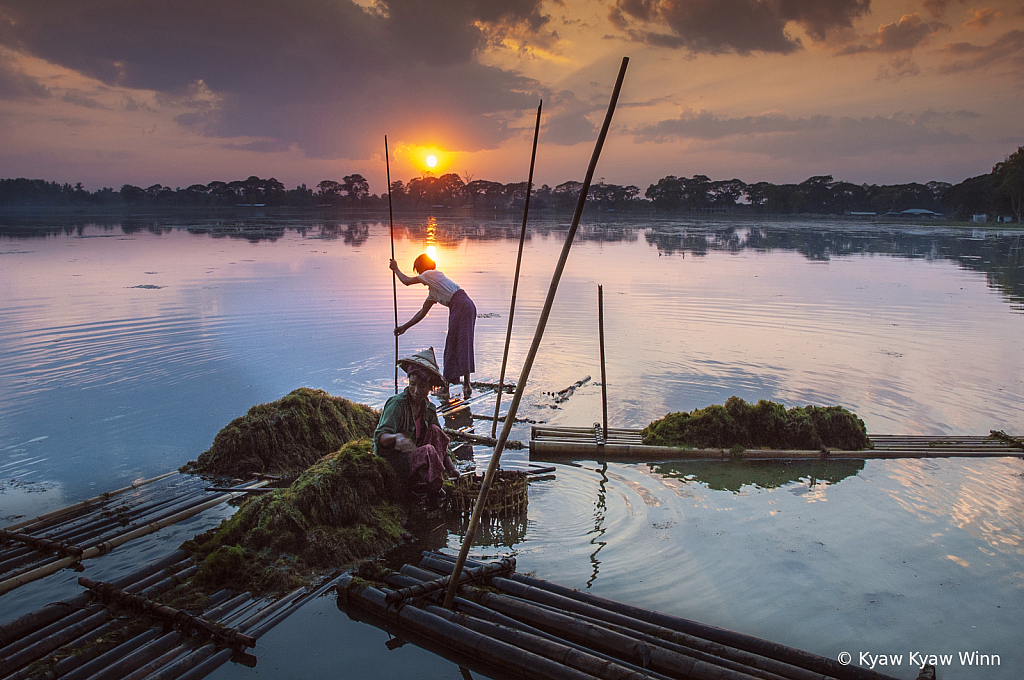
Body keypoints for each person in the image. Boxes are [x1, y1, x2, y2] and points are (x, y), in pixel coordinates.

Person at [390, 253, 476, 400]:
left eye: (419, 272)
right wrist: (404, 327)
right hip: (466, 306)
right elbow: (421, 313)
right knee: (462, 345)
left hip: (461, 305)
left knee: (452, 346)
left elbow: (406, 281)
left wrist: (396, 269)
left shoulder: (431, 274)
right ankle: (466, 386)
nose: (421, 279)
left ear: (423, 269)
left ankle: (445, 388)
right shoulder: (433, 291)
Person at [374, 348, 458, 495]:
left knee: (436, 431)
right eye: (413, 384)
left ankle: (430, 480)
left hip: (414, 456)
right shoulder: (397, 404)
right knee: (428, 451)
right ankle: (433, 488)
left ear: (430, 388)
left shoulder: (429, 409)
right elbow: (380, 437)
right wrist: (395, 438)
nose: (416, 390)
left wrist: (451, 467)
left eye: (422, 386)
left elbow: (441, 441)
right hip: (396, 461)